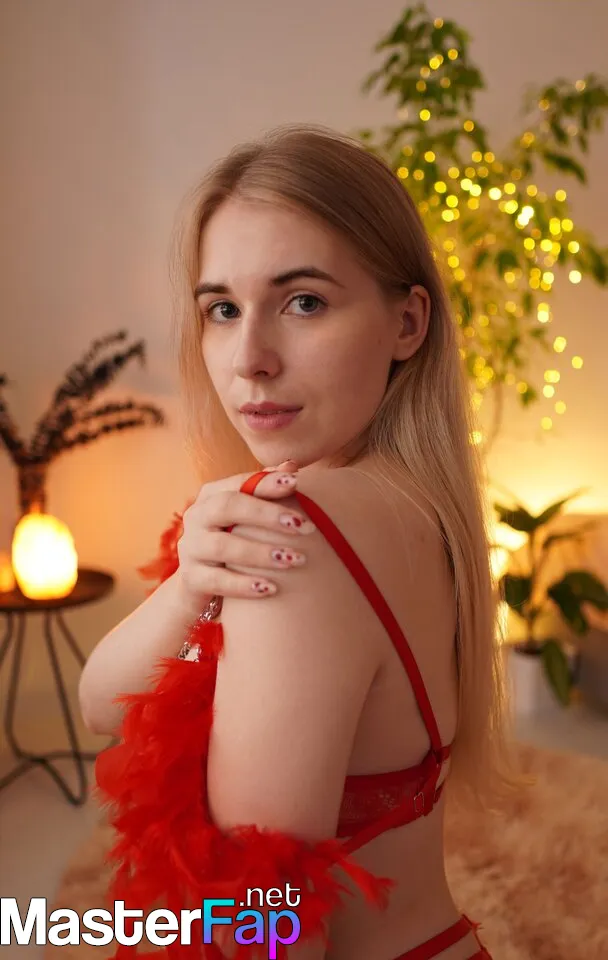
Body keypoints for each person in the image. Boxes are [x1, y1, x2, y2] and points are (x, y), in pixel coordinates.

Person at [79, 123, 529, 960]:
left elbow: (267, 924)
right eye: (222, 309)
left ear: (408, 322)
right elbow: (104, 705)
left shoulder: (300, 532)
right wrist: (186, 587)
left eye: (304, 302)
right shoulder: (414, 502)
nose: (248, 359)